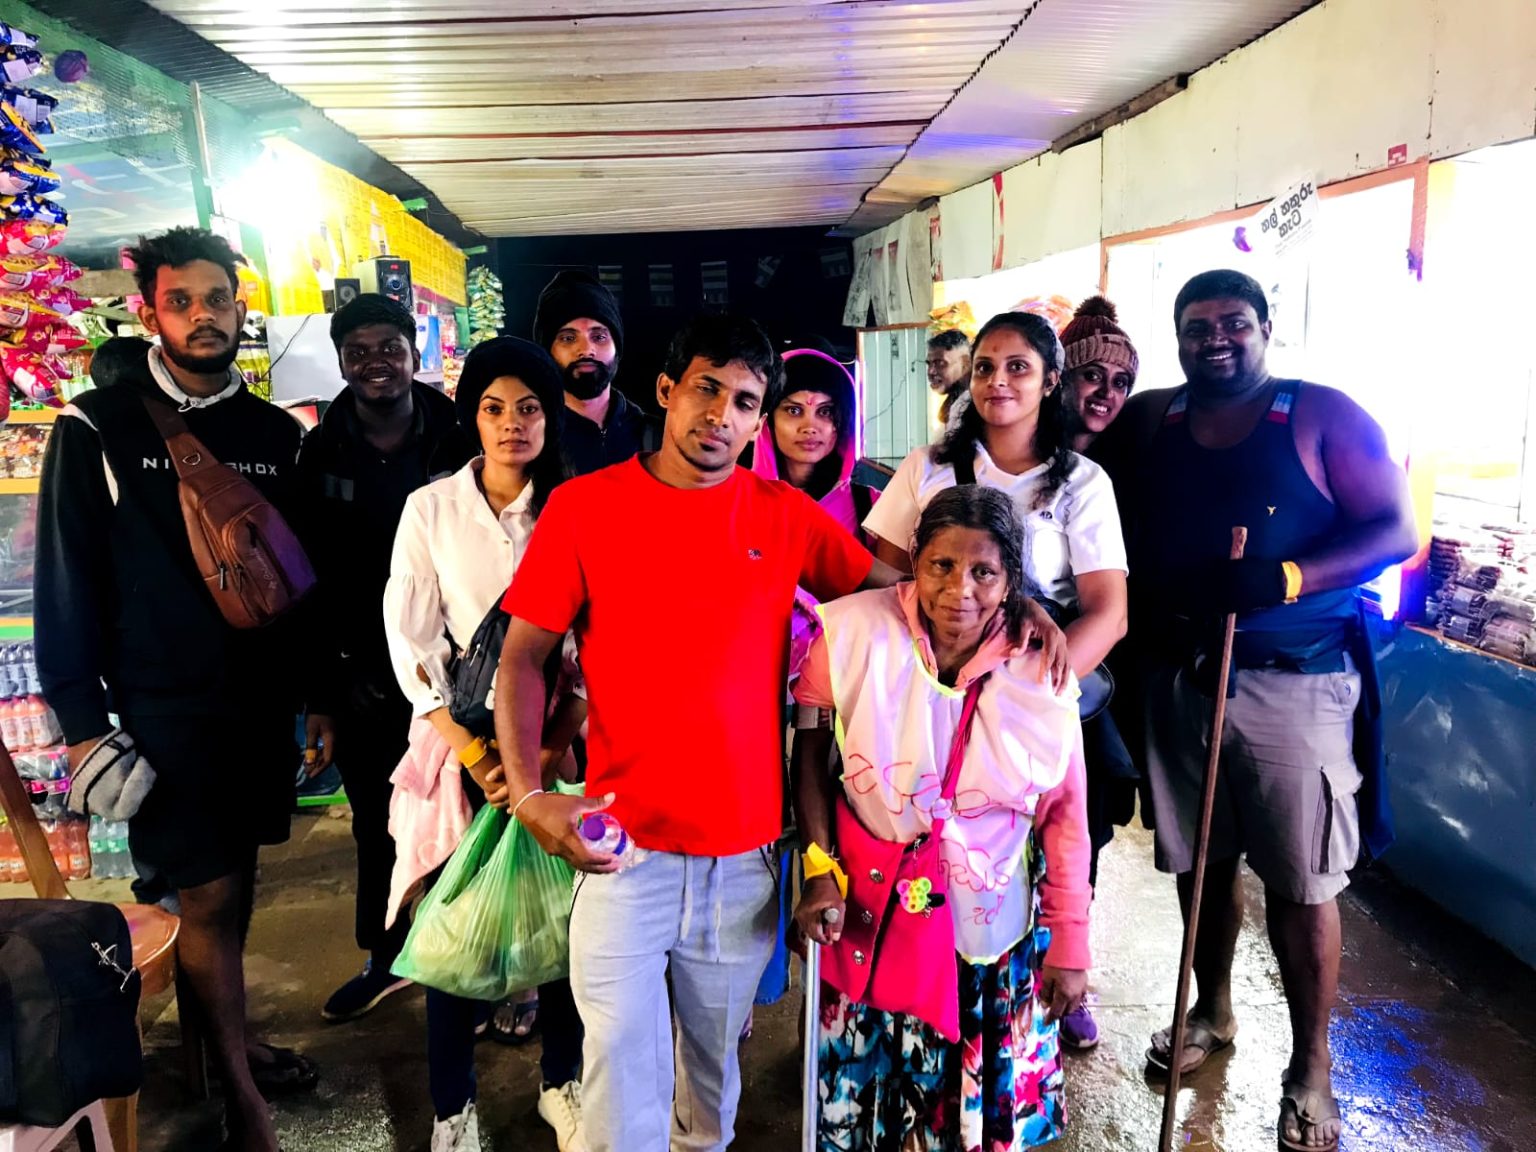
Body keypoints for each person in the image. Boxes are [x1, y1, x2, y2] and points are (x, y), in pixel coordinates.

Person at [493, 313, 903, 1152]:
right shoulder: (585, 508)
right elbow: (523, 659)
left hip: (743, 860)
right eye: (706, 390)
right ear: (666, 391)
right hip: (621, 852)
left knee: (711, 1092)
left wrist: (1014, 609)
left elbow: (901, 601)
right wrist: (531, 796)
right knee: (617, 1085)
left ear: (759, 422)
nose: (722, 415)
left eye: (746, 401)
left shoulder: (785, 516)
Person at [35, 227, 330, 1152]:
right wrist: (82, 723)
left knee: (235, 892)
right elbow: (65, 580)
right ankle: (243, 1100)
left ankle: (226, 1046)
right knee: (205, 896)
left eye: (217, 299)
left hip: (257, 708)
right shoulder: (98, 427)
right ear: (149, 311)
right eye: (182, 301)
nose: (204, 315)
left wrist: (315, 696)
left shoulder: (277, 436)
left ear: (241, 308)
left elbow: (298, 583)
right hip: (162, 711)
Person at [1108, 270, 1416, 1152]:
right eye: (1196, 325)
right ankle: (1212, 1011)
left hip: (1294, 681)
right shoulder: (1153, 418)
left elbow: (1396, 532)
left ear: (1265, 327)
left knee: (1302, 880)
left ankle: (1311, 1066)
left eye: (1233, 322)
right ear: (1176, 337)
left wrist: (1285, 577)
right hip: (1180, 679)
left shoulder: (1318, 415)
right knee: (1200, 865)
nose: (1216, 338)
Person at [792, 485, 1088, 1152]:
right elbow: (809, 756)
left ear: (1011, 581)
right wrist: (818, 868)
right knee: (867, 1111)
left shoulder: (1041, 670)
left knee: (962, 1124)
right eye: (941, 566)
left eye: (984, 572)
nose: (960, 590)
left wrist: (1070, 938)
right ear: (914, 561)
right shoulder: (852, 635)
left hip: (984, 930)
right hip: (872, 911)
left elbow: (1065, 811)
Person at [382, 336, 587, 1152]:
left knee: (564, 924)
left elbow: (595, 640)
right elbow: (411, 639)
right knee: (455, 929)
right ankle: (452, 1108)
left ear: (550, 417)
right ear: (471, 415)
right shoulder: (431, 509)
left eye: (529, 408)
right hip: (461, 749)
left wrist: (554, 748)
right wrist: (476, 756)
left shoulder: (578, 506)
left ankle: (562, 1082)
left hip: (562, 744)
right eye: (494, 408)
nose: (512, 425)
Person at [295, 293, 475, 1023]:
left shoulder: (458, 435)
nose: (376, 362)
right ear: (342, 361)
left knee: (466, 820)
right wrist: (324, 694)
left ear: (413, 352)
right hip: (362, 673)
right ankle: (386, 956)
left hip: (459, 671)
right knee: (377, 822)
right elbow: (306, 579)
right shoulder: (319, 450)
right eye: (359, 351)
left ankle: (471, 965)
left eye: (390, 348)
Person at [533, 269, 659, 475]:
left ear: (617, 347)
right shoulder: (533, 439)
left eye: (599, 337)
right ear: (548, 351)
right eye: (568, 338)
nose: (586, 350)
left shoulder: (657, 436)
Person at [1059, 295, 1139, 457]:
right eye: (1093, 376)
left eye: (1119, 382)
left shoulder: (1134, 460)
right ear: (1060, 378)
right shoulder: (1019, 450)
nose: (1107, 392)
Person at [926, 327, 971, 431]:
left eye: (940, 363)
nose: (930, 371)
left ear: (966, 364)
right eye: (929, 364)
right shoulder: (956, 401)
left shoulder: (975, 406)